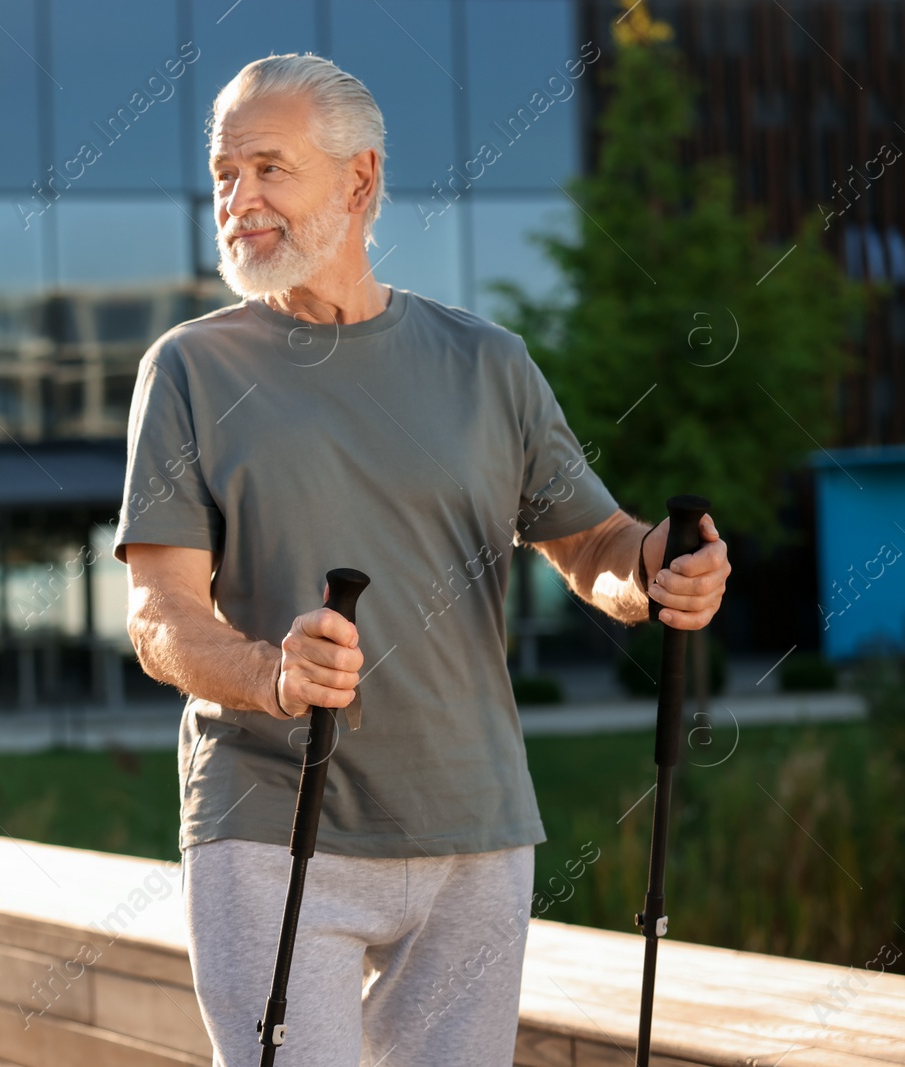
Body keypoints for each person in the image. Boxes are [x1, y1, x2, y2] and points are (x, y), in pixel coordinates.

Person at [113, 54, 730, 1066]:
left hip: (471, 825)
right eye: (225, 173)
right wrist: (272, 671)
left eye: (270, 168)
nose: (239, 198)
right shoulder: (188, 366)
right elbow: (157, 608)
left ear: (358, 181)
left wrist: (660, 565)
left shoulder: (485, 361)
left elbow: (596, 544)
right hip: (269, 820)